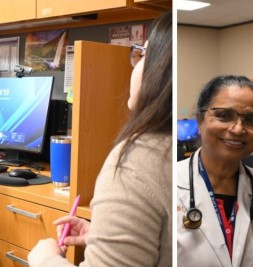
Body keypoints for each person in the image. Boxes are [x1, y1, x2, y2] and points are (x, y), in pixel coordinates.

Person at [28, 11, 173, 267]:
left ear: (161, 70)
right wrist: (106, 237)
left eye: (144, 54)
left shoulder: (136, 161)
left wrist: (45, 260)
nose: (137, 64)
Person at [176, 76, 253, 266]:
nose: (238, 129)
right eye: (224, 115)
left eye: (251, 119)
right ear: (200, 121)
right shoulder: (168, 184)